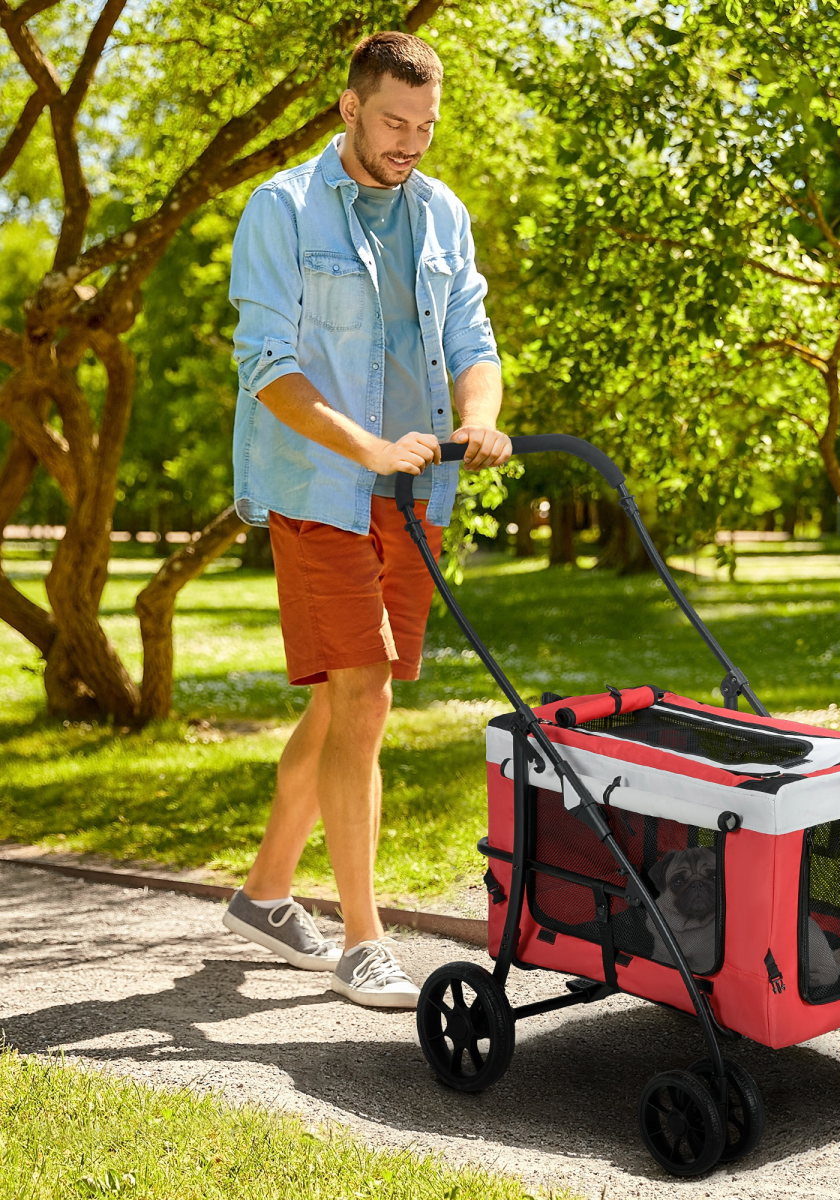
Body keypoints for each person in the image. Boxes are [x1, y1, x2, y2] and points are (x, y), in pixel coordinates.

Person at [221, 31, 510, 1008]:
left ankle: (265, 895)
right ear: (350, 108)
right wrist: (370, 449)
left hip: (414, 497)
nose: (411, 144)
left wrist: (479, 420)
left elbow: (472, 335)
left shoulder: (440, 214)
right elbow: (268, 368)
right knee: (367, 698)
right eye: (395, 122)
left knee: (346, 697)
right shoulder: (284, 210)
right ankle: (362, 939)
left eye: (427, 128)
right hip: (321, 490)